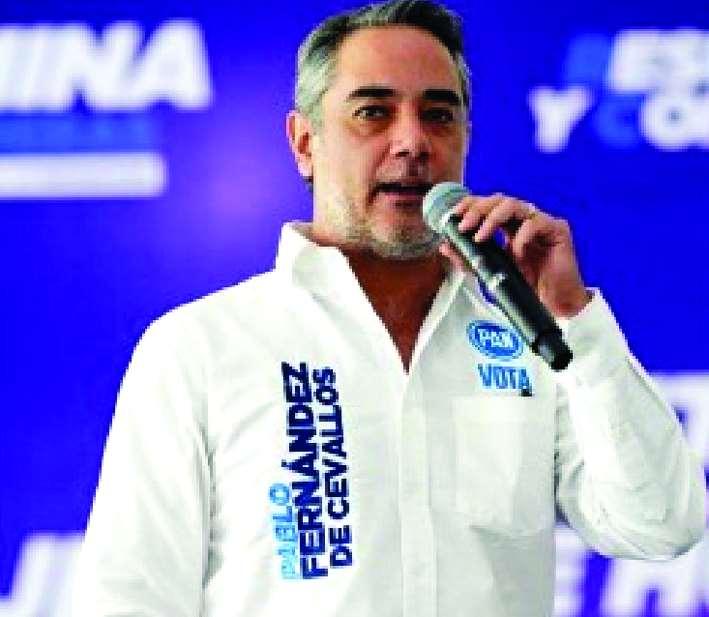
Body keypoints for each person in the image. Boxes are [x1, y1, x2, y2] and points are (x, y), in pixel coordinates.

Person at [72, 1, 706, 616]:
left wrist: (574, 322)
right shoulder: (201, 346)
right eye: (373, 112)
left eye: (439, 115)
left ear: (465, 140)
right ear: (304, 143)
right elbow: (129, 598)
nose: (412, 142)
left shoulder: (534, 344)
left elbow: (662, 526)